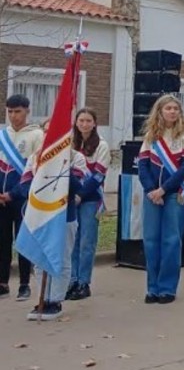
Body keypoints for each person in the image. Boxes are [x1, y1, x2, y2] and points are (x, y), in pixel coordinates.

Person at [10, 120, 86, 321]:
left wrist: (62, 165)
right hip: (39, 216)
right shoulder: (35, 158)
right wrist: (38, 194)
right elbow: (24, 185)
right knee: (40, 257)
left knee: (61, 256)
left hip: (64, 216)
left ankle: (56, 300)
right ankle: (42, 297)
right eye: (46, 132)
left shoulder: (76, 158)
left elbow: (79, 186)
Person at [137, 94, 184, 304]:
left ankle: (167, 288)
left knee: (171, 241)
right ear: (160, 111)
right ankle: (152, 287)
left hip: (175, 193)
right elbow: (142, 166)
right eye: (168, 108)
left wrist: (163, 190)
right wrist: (151, 190)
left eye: (175, 108)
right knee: (151, 240)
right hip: (153, 194)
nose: (172, 111)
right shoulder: (151, 135)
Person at [0, 94, 43, 300]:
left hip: (22, 197)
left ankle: (24, 284)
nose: (13, 116)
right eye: (10, 112)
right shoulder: (2, 135)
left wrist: (13, 193)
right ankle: (2, 282)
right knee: (2, 240)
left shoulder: (36, 135)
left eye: (17, 111)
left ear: (27, 111)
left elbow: (35, 171)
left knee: (23, 240)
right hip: (1, 198)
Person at [67, 108, 110, 301]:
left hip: (91, 198)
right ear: (76, 123)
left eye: (88, 121)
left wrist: (81, 195)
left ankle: (84, 282)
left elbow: (98, 175)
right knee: (73, 241)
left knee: (87, 242)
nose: (84, 124)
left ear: (94, 123)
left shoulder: (101, 145)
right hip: (70, 197)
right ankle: (72, 280)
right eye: (81, 120)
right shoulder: (70, 144)